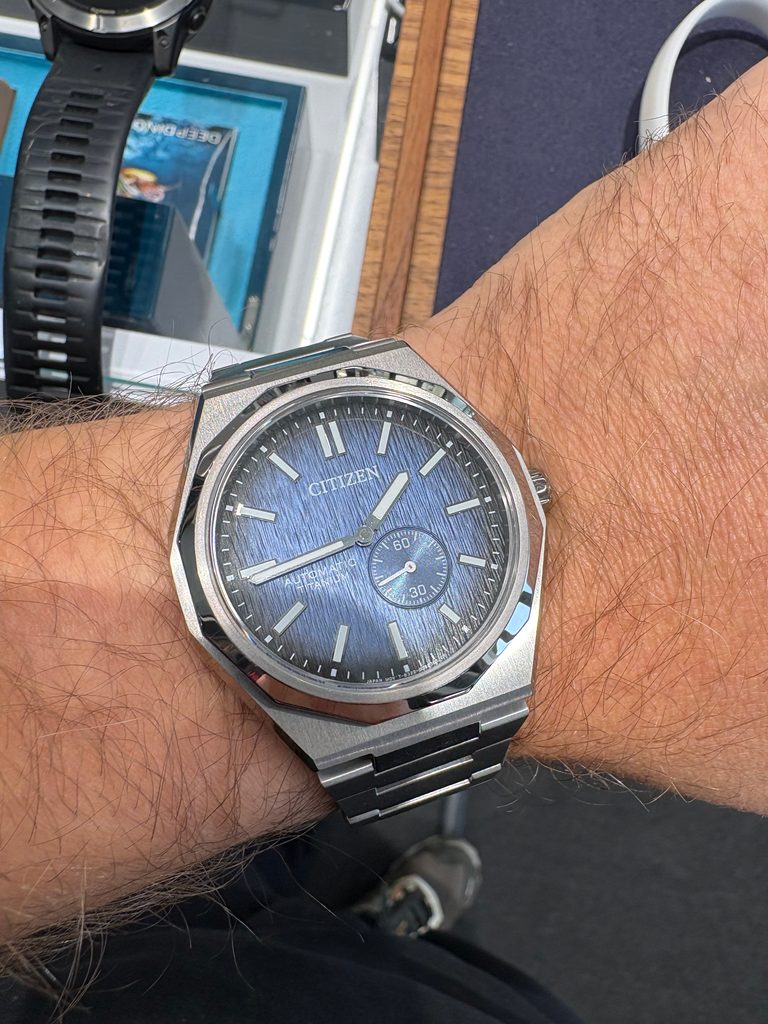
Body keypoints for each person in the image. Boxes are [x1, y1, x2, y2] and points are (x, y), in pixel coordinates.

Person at [0, 52, 766, 1023]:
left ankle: (376, 911)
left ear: (524, 493)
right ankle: (383, 914)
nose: (363, 532)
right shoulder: (219, 588)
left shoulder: (485, 495)